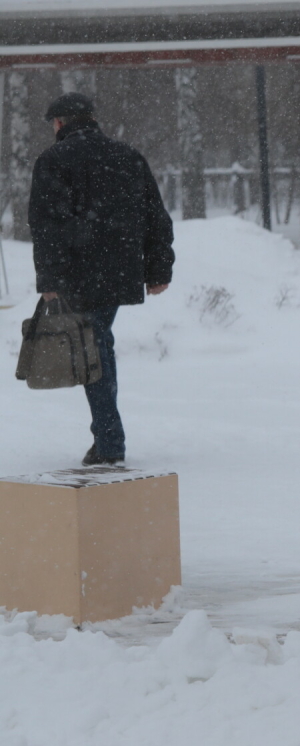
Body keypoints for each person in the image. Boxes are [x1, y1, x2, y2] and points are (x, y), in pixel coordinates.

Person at [28, 92, 174, 467]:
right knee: (96, 346)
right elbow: (156, 215)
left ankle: (109, 442)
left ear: (59, 123)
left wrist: (50, 279)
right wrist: (158, 268)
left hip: (78, 273)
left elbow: (46, 226)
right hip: (121, 269)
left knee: (93, 350)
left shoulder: (53, 160)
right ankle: (106, 438)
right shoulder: (128, 156)